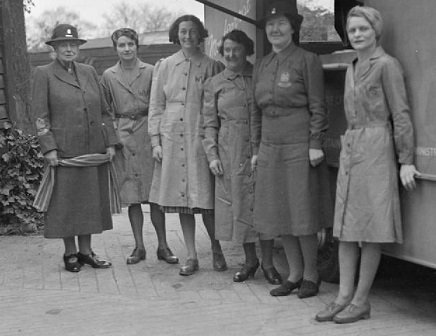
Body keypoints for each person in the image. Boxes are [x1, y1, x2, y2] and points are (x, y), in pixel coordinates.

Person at [315, 6, 419, 323]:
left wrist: (406, 161)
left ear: (376, 31)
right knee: (345, 230)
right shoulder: (353, 66)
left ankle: (361, 301)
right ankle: (343, 297)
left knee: (371, 231)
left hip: (377, 148)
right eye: (353, 30)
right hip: (352, 147)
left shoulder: (387, 65)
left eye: (363, 29)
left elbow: (401, 116)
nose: (357, 35)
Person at [251, 1, 330, 296]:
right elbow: (255, 112)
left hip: (299, 145)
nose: (275, 29)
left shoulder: (307, 60)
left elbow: (318, 107)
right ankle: (294, 274)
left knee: (302, 212)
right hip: (270, 146)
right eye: (270, 25)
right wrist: (257, 149)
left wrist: (314, 144)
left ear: (293, 28)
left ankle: (311, 275)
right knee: (279, 212)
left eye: (282, 24)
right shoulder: (262, 64)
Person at [32, 24, 118, 272]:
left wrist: (110, 141)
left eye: (73, 45)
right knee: (67, 203)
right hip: (64, 152)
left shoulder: (89, 71)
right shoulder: (43, 73)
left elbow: (104, 110)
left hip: (93, 149)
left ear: (78, 47)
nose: (69, 49)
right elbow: (40, 115)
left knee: (89, 202)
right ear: (54, 48)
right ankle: (70, 253)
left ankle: (86, 251)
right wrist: (49, 148)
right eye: (63, 45)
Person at [148, 15, 227, 276]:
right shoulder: (165, 65)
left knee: (205, 199)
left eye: (193, 31)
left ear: (200, 34)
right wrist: (155, 141)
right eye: (183, 31)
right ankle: (191, 255)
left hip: (199, 137)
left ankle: (216, 248)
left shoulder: (212, 66)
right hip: (172, 138)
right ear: (176, 34)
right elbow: (156, 105)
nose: (187, 36)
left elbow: (218, 107)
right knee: (182, 202)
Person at [203, 29, 276, 283]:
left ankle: (268, 263)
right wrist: (212, 155)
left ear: (247, 50)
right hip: (230, 152)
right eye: (227, 50)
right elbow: (209, 123)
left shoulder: (260, 76)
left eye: (237, 49)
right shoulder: (215, 84)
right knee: (240, 207)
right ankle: (250, 261)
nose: (231, 54)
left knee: (264, 206)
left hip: (260, 148)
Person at [100, 28, 178, 265]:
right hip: (124, 135)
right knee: (133, 195)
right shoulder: (109, 75)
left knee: (155, 194)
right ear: (115, 48)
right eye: (121, 45)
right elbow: (105, 111)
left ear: (137, 46)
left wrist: (160, 136)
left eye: (130, 44)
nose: (126, 49)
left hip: (148, 133)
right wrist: (111, 141)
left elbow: (160, 104)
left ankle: (163, 246)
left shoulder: (152, 71)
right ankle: (139, 246)